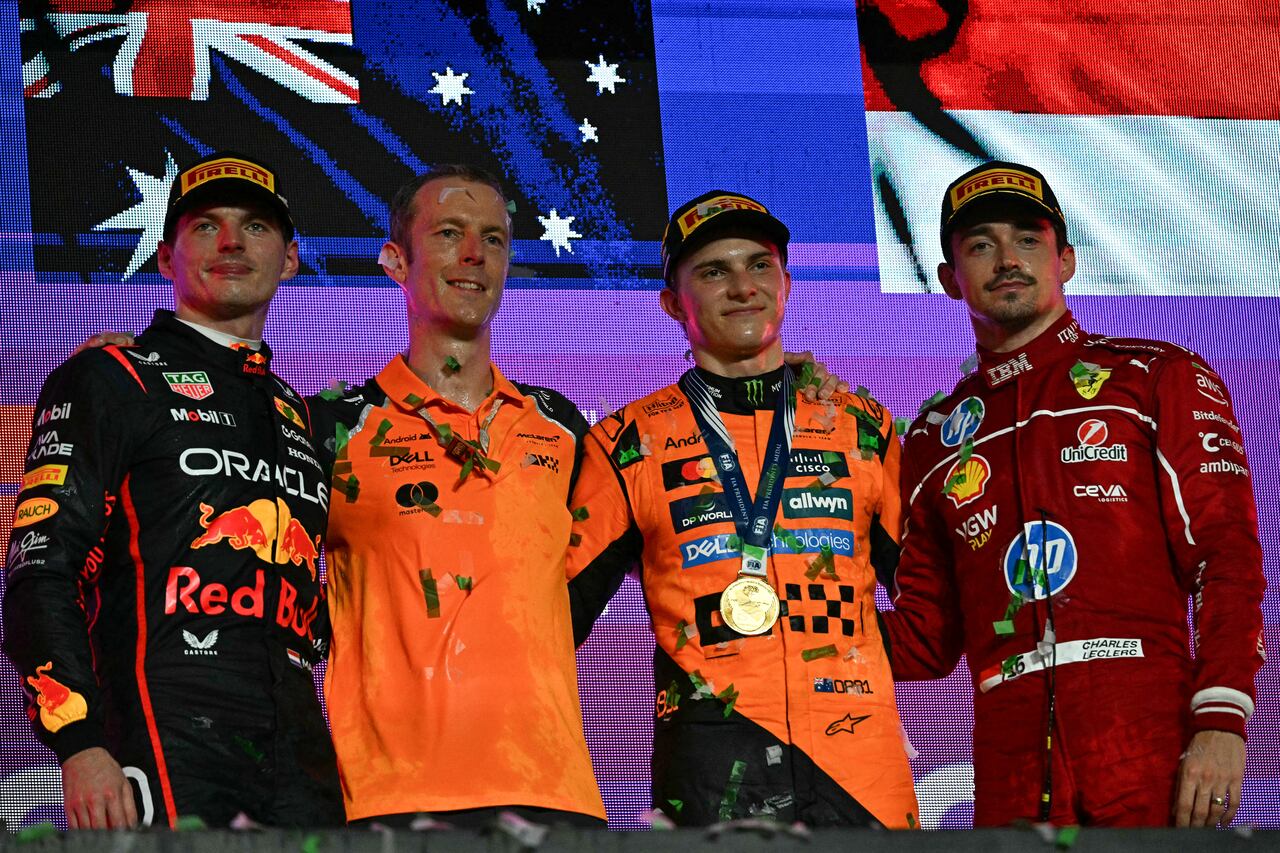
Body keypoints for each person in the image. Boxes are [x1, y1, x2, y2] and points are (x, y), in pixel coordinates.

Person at [882, 161, 1266, 827]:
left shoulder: (1154, 376)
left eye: (1028, 239)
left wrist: (1222, 719)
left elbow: (1226, 556)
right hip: (1009, 775)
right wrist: (784, 629)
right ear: (948, 279)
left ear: (1067, 259)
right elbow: (925, 639)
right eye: (979, 245)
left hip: (1152, 751)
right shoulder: (933, 438)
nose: (1006, 259)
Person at [3, 152, 343, 829]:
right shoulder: (111, 377)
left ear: (292, 258)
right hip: (163, 734)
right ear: (165, 258)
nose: (230, 242)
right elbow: (41, 570)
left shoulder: (300, 415)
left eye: (254, 227)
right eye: (205, 226)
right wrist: (80, 742)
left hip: (299, 752)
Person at [565, 191, 920, 827]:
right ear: (673, 302)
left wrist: (857, 664)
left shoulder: (862, 426)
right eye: (713, 271)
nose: (742, 287)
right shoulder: (626, 442)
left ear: (786, 282)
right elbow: (552, 619)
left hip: (861, 767)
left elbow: (934, 600)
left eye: (760, 266)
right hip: (711, 766)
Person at [310, 165, 608, 827]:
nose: (475, 255)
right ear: (395, 260)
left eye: (494, 239)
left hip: (557, 798)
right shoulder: (330, 425)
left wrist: (779, 382)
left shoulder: (562, 427)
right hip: (392, 801)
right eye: (449, 234)